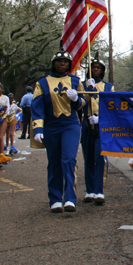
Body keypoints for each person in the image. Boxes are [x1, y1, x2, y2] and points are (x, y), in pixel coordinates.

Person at [32, 48, 87, 213]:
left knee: (69, 160)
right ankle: (55, 198)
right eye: (59, 61)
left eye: (65, 62)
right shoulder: (42, 83)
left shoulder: (76, 81)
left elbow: (84, 103)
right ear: (53, 63)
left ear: (69, 64)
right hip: (51, 125)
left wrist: (77, 99)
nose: (62, 64)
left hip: (70, 123)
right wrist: (38, 128)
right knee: (54, 162)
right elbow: (37, 106)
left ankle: (70, 198)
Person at [82, 56, 113, 205]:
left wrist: (101, 118)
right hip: (86, 123)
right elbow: (79, 104)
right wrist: (87, 90)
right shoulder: (82, 85)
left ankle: (99, 190)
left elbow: (112, 106)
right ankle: (89, 190)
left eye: (98, 67)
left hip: (102, 123)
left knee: (100, 157)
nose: (95, 69)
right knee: (88, 157)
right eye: (93, 67)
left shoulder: (108, 87)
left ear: (102, 70)